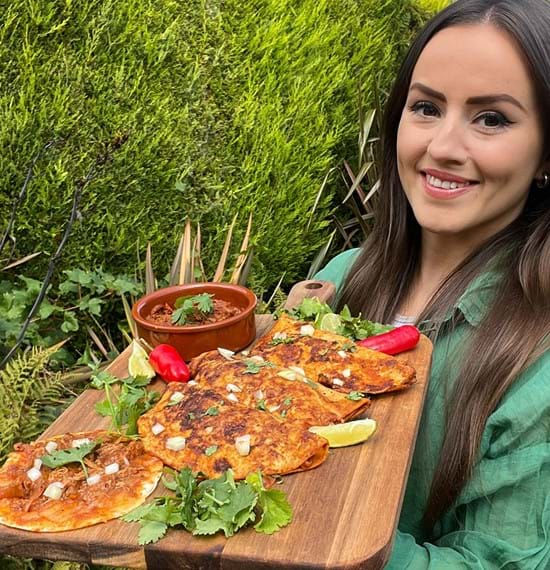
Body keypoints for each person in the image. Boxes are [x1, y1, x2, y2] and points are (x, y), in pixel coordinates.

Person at [314, 0, 550, 567]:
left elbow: (498, 561)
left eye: (491, 118)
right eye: (426, 108)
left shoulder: (538, 363)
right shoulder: (339, 278)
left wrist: (315, 533)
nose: (442, 147)